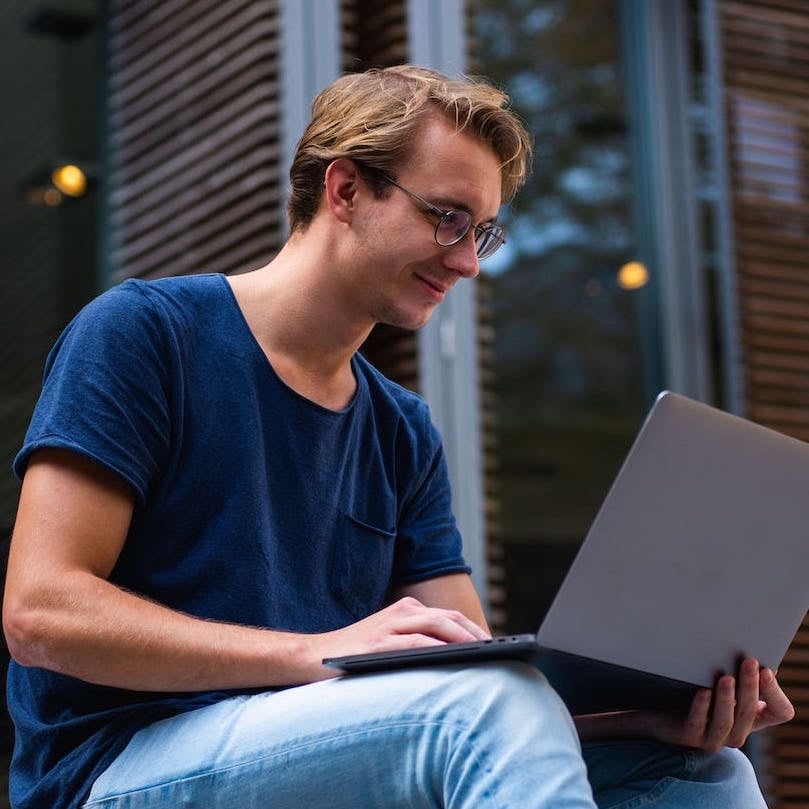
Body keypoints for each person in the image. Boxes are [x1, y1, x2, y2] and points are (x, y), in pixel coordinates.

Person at [2, 65, 794, 809]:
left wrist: (634, 719)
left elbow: (478, 684)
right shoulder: (146, 334)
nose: (466, 262)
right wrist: (319, 650)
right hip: (117, 765)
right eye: (447, 217)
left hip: (319, 751)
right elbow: (41, 615)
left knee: (699, 769)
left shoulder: (400, 428)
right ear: (345, 188)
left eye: (482, 232)